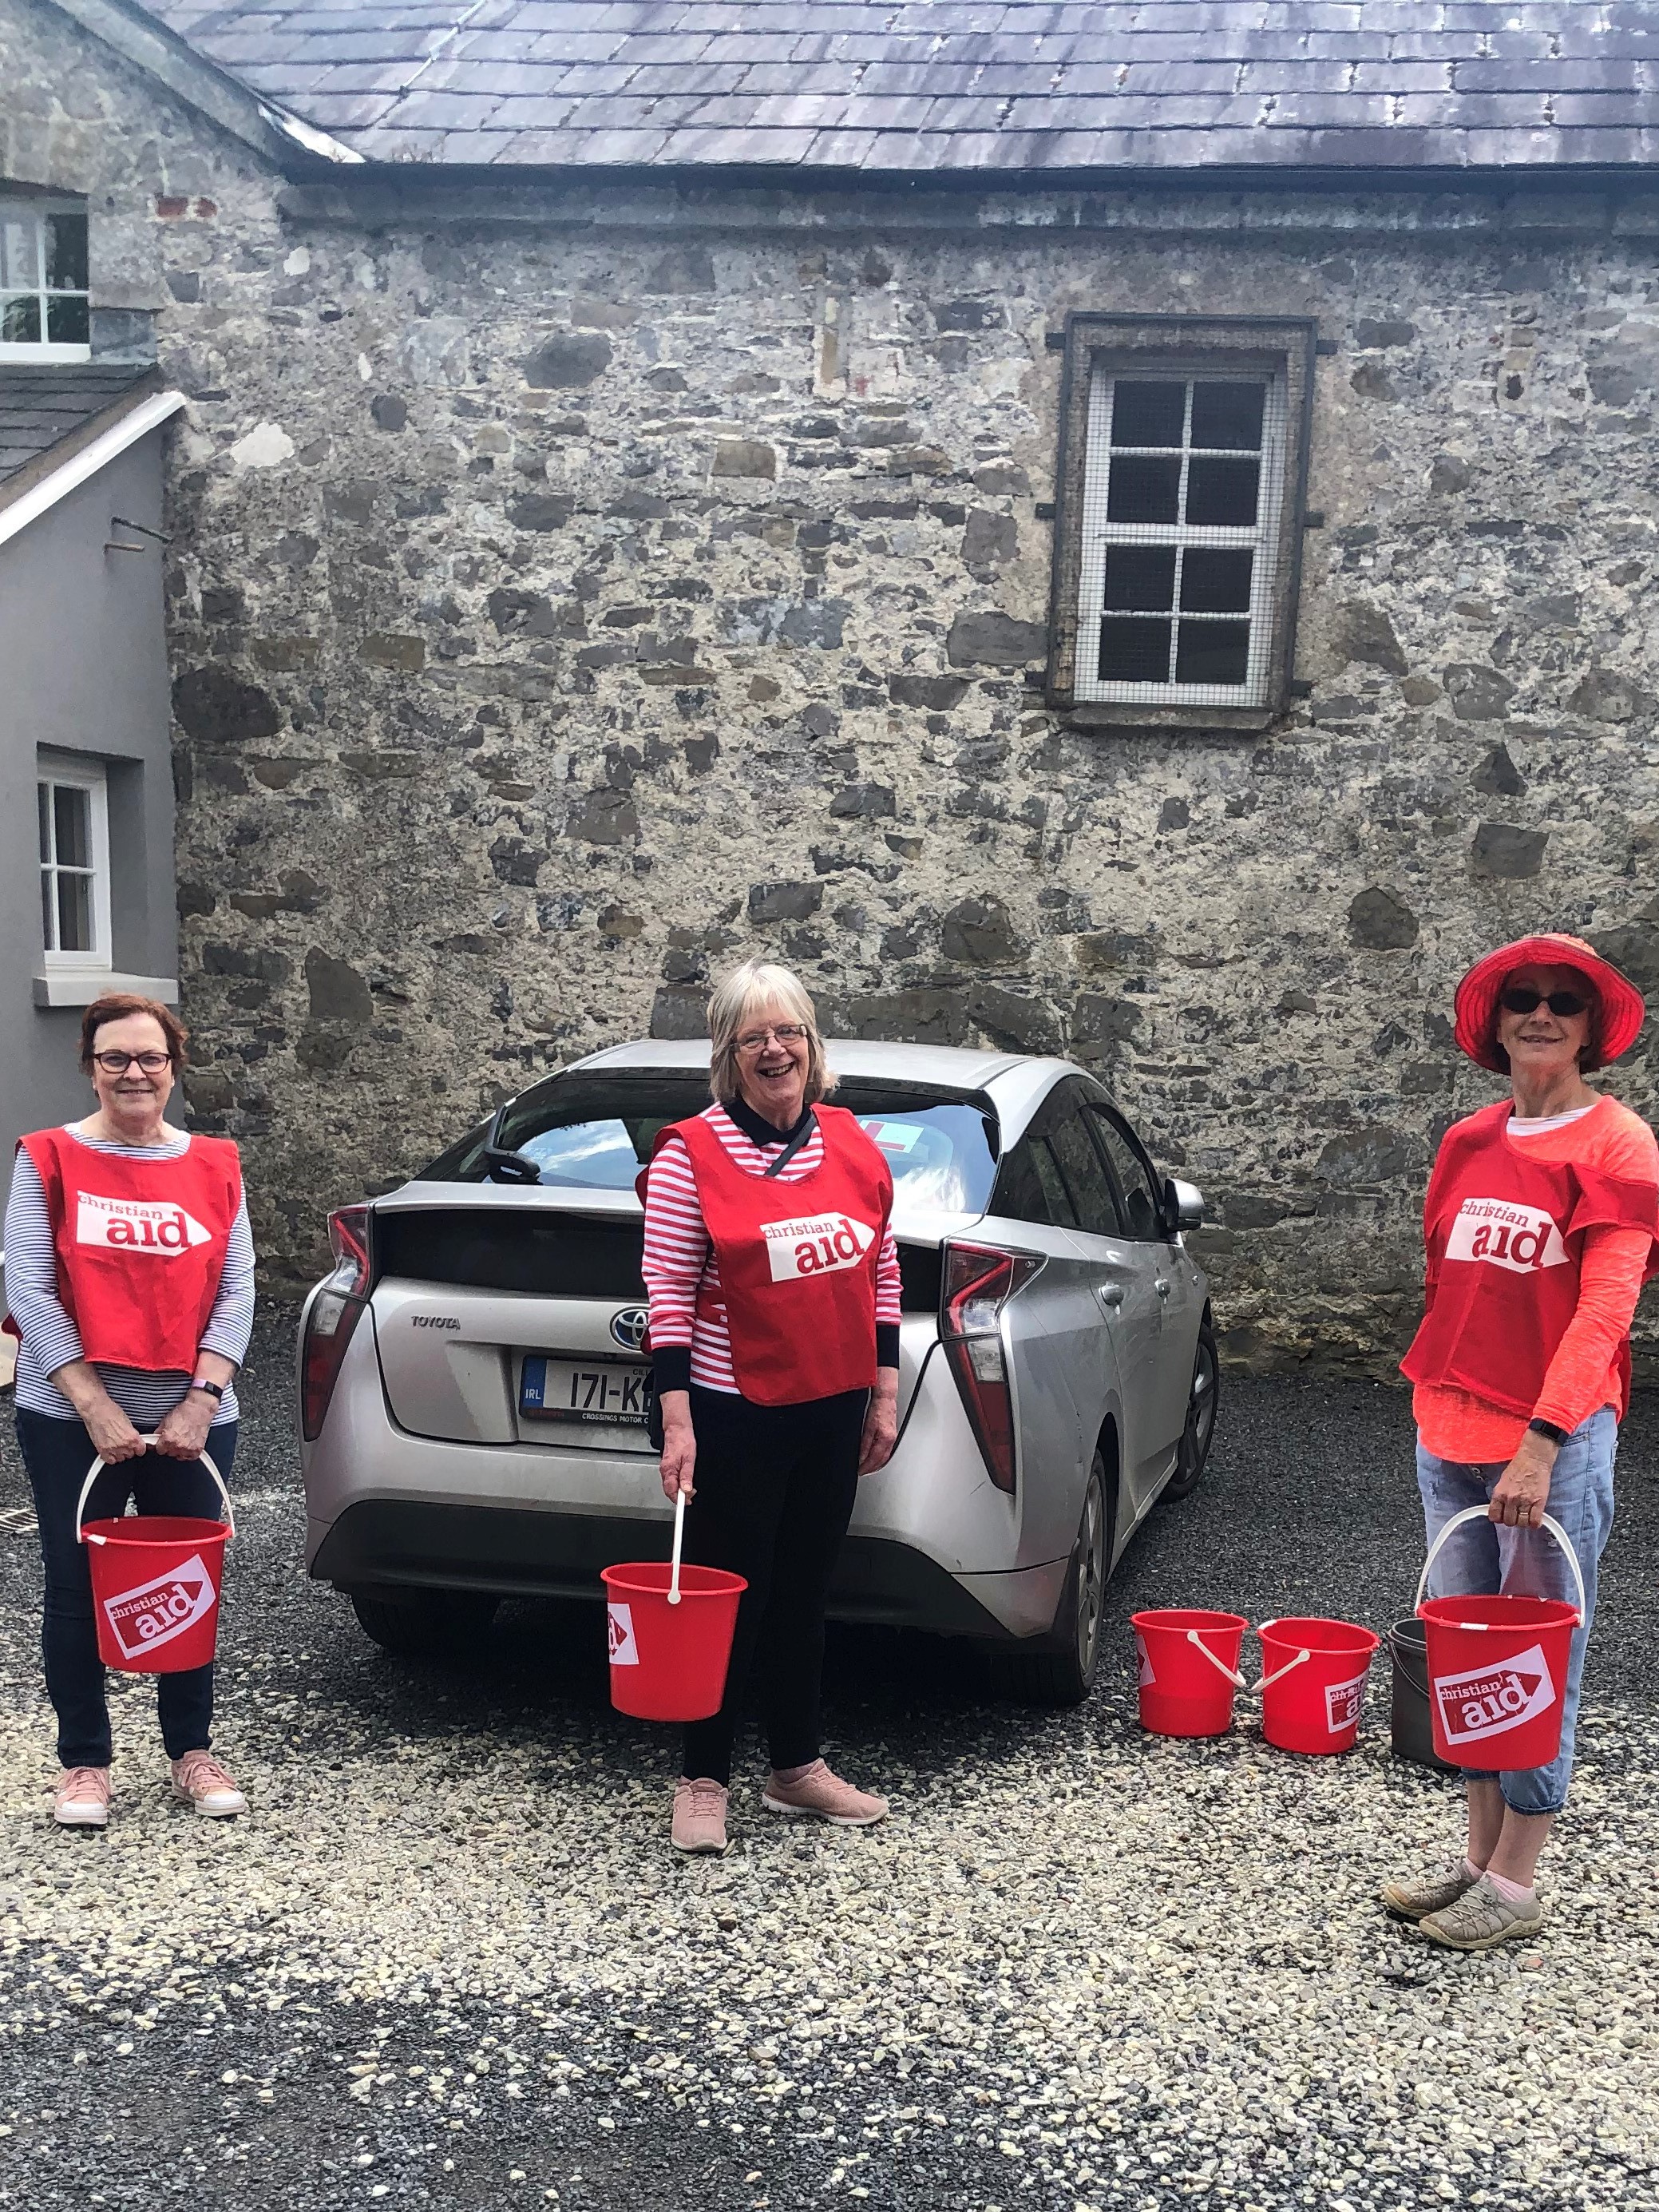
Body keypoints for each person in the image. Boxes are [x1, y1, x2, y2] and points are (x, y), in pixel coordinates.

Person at [1387, 933, 1657, 1950]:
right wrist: (1435, 1406)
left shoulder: (1619, 1145)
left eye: (1563, 1003)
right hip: (1447, 1428)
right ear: (1493, 1024)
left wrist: (1540, 1442)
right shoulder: (1466, 1139)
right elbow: (1445, 1282)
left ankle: (1515, 1882)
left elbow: (1602, 1314)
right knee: (1466, 1654)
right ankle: (1472, 1861)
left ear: (1591, 1029)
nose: (1539, 1015)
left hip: (1548, 1446)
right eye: (1522, 1001)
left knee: (1540, 1653)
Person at [640, 961, 901, 1853]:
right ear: (729, 1053)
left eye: (787, 1032)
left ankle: (795, 1767)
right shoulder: (690, 1153)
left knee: (804, 1592)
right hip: (732, 1408)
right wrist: (677, 1421)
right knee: (724, 1598)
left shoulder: (849, 1140)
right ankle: (702, 1776)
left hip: (831, 1404)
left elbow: (881, 1270)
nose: (774, 1049)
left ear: (811, 1044)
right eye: (753, 1037)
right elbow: (667, 1294)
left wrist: (883, 1391)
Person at [5, 993, 255, 1827]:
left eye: (149, 1057)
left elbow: (238, 1290)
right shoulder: (47, 1157)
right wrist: (93, 1406)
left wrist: (202, 1396)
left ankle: (191, 1748)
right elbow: (31, 1289)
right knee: (77, 1587)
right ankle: (84, 1761)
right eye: (115, 1057)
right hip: (71, 1414)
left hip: (194, 1417)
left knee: (190, 1584)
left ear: (174, 1067)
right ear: (91, 1066)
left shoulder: (216, 1163)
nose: (133, 1072)